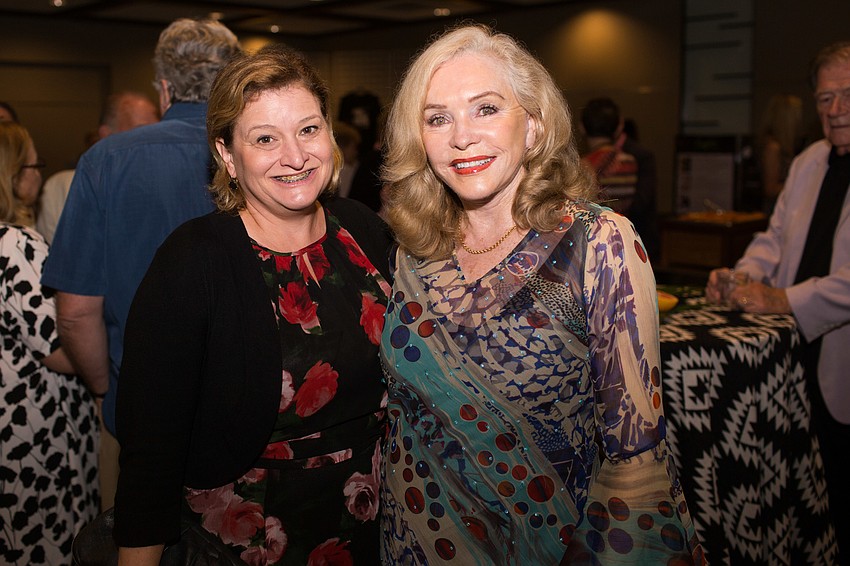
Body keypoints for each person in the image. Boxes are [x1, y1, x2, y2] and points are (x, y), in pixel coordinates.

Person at [379, 24, 704, 564]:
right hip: (412, 542)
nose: (462, 136)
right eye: (438, 118)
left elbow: (636, 463)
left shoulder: (599, 244)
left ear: (533, 125)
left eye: (486, 109)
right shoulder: (414, 250)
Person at [113, 43, 393, 565]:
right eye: (266, 139)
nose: (295, 155)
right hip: (252, 541)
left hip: (377, 529)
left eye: (308, 129)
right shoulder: (192, 262)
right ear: (226, 154)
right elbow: (152, 447)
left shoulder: (363, 229)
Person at [40, 18, 240, 513]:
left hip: (140, 407)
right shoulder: (260, 155)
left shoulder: (104, 161)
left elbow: (75, 313)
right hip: (249, 411)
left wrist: (107, 386)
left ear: (164, 87)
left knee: (135, 540)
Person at [705, 40, 850, 565]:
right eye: (825, 98)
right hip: (791, 355)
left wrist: (780, 298)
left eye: (847, 96)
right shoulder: (810, 159)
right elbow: (775, 235)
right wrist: (743, 276)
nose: (835, 110)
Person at [0, 120, 99, 565]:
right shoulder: (15, 246)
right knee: (43, 541)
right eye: (33, 163)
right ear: (12, 174)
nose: (39, 174)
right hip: (32, 431)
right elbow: (60, 351)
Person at [36, 91, 159, 243]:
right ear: (107, 135)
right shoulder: (64, 186)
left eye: (158, 131)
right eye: (141, 132)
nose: (154, 142)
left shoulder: (163, 186)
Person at [580, 97, 659, 262]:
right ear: (618, 127)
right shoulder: (630, 161)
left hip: (594, 249)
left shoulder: (582, 167)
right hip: (627, 243)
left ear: (582, 127)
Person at [756, 93, 805, 213]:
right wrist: (802, 185)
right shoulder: (773, 147)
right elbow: (770, 189)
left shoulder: (785, 145)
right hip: (774, 211)